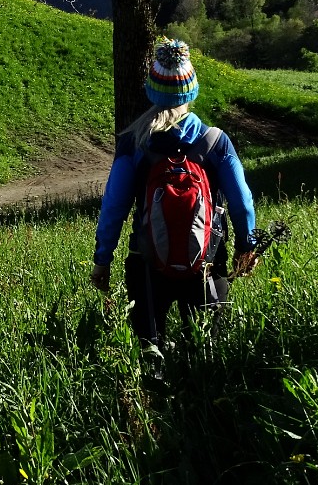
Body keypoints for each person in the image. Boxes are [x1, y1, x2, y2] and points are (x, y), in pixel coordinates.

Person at [90, 38, 258, 361]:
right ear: (190, 92)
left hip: (148, 267)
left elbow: (113, 207)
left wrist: (102, 260)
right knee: (209, 356)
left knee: (150, 356)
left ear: (152, 91)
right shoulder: (216, 142)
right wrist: (246, 246)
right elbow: (242, 202)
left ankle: (148, 405)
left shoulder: (134, 143)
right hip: (206, 267)